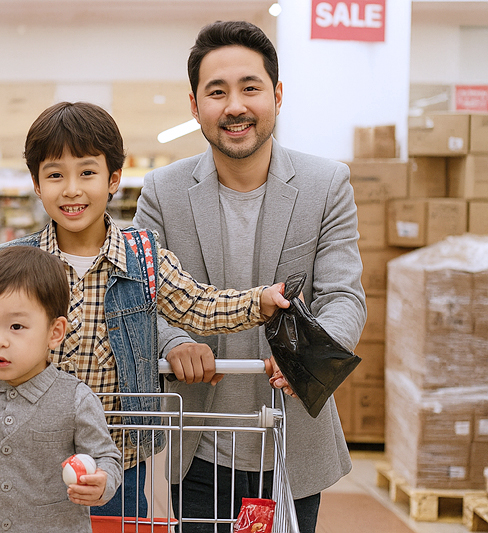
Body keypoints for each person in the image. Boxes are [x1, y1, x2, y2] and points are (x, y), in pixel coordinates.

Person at [0, 100, 291, 517]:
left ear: (113, 179)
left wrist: (257, 302)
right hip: (25, 463)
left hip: (117, 464)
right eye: (56, 174)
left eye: (88, 172)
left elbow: (198, 305)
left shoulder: (144, 257)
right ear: (37, 184)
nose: (72, 189)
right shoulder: (16, 260)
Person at [132, 20, 367, 533]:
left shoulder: (326, 184)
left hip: (293, 441)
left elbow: (344, 295)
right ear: (195, 106)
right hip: (195, 445)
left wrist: (311, 361)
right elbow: (137, 298)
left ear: (277, 95)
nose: (234, 106)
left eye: (250, 88)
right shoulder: (162, 193)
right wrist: (172, 341)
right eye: (217, 92)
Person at [0, 246, 123, 533]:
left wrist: (102, 481)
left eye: (16, 326)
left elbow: (107, 458)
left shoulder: (75, 399)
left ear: (54, 332)